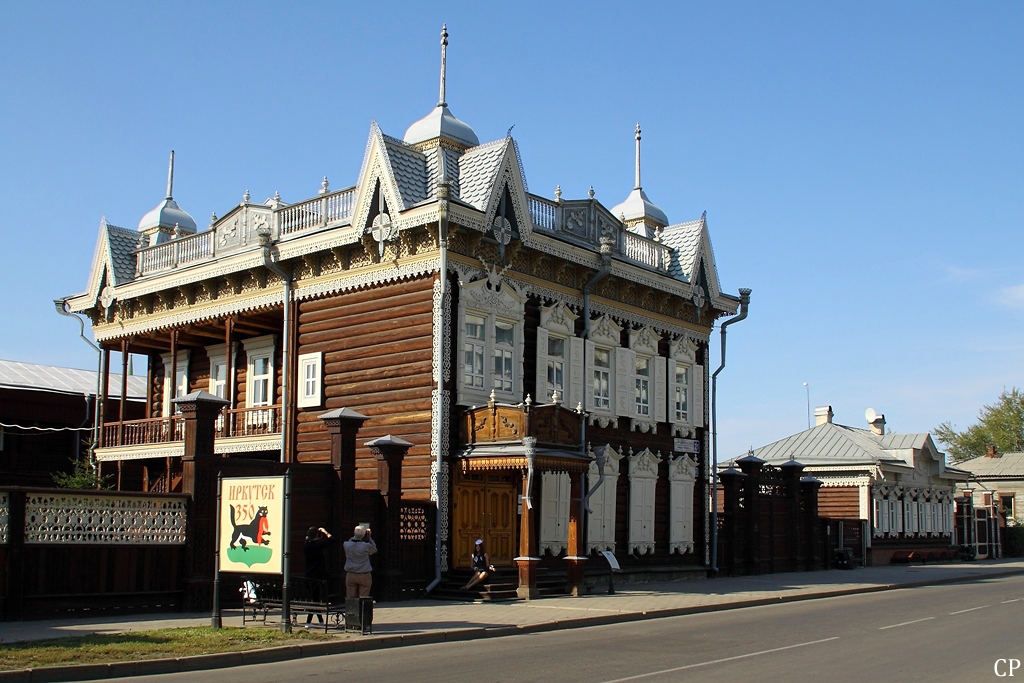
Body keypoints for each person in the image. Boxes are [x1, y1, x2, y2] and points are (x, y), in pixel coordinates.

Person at [303, 526, 335, 627]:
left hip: (308, 575)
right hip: (317, 576)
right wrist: (325, 532)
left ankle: (318, 621)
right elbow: (332, 540)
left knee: (314, 599)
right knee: (315, 600)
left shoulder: (306, 546)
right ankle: (310, 622)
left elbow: (308, 540)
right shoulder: (318, 545)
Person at [343, 525, 377, 598]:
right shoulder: (366, 546)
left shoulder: (346, 544)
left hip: (351, 573)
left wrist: (356, 536)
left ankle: (351, 609)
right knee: (364, 597)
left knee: (350, 597)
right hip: (364, 573)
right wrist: (369, 537)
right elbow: (374, 549)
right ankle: (362, 609)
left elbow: (350, 540)